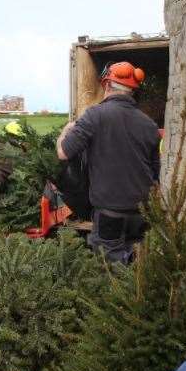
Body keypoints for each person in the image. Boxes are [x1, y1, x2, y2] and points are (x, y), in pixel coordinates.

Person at [57, 61, 160, 264]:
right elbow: (155, 172)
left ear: (107, 85)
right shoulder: (149, 125)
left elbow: (63, 153)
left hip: (110, 213)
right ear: (132, 91)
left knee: (111, 267)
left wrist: (65, 131)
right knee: (137, 264)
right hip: (141, 213)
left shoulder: (95, 115)